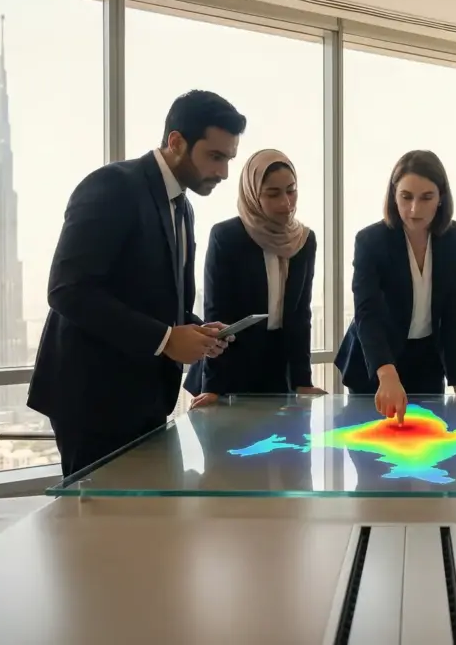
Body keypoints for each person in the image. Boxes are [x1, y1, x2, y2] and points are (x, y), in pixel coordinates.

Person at [28, 90, 246, 477]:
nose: (224, 172)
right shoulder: (113, 186)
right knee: (99, 532)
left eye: (229, 159)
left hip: (146, 397)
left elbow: (156, 298)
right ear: (176, 142)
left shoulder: (183, 206)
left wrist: (193, 330)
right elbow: (67, 289)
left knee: (147, 528)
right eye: (215, 157)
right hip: (93, 401)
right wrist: (165, 338)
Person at [335, 150, 456, 423]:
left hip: (426, 361)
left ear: (441, 197)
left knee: (433, 458)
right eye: (406, 197)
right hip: (376, 363)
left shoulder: (454, 236)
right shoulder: (371, 240)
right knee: (375, 457)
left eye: (426, 197)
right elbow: (366, 313)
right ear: (394, 195)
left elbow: (454, 307)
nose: (414, 209)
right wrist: (386, 373)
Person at [184, 149, 326, 405]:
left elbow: (300, 315)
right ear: (252, 194)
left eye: (291, 190)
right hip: (231, 369)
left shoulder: (304, 240)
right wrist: (213, 387)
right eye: (273, 194)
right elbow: (218, 316)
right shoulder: (227, 237)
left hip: (279, 372)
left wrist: (303, 381)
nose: (286, 203)